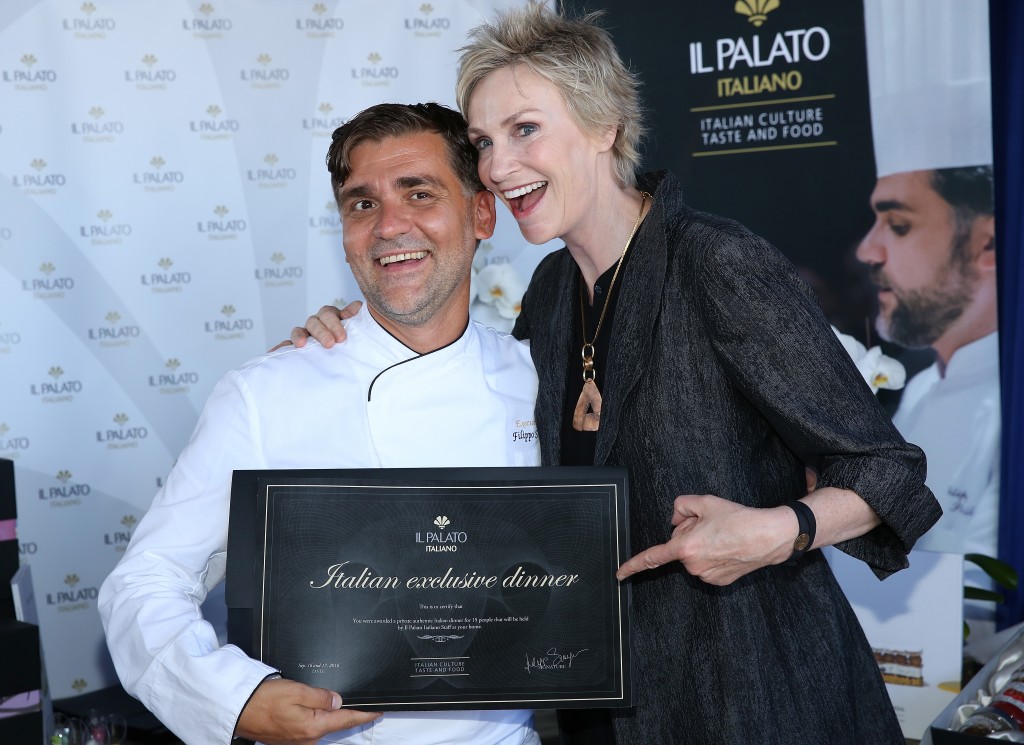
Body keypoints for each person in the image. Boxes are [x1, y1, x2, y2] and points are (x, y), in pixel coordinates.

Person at [288, 5, 941, 744]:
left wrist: (776, 530)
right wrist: (361, 327)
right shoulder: (551, 292)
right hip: (598, 700)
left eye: (525, 129)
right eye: (482, 142)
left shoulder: (715, 263)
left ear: (605, 126)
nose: (498, 167)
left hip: (752, 692)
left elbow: (889, 469)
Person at [98, 103, 543, 745]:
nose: (390, 225)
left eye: (419, 194)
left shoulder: (538, 380)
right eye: (361, 204)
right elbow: (143, 583)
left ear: (481, 214)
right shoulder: (268, 393)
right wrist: (238, 699)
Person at [857, 165, 998, 620]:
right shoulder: (920, 387)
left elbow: (985, 595)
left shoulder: (1006, 407)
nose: (868, 251)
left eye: (898, 226)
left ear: (987, 244)